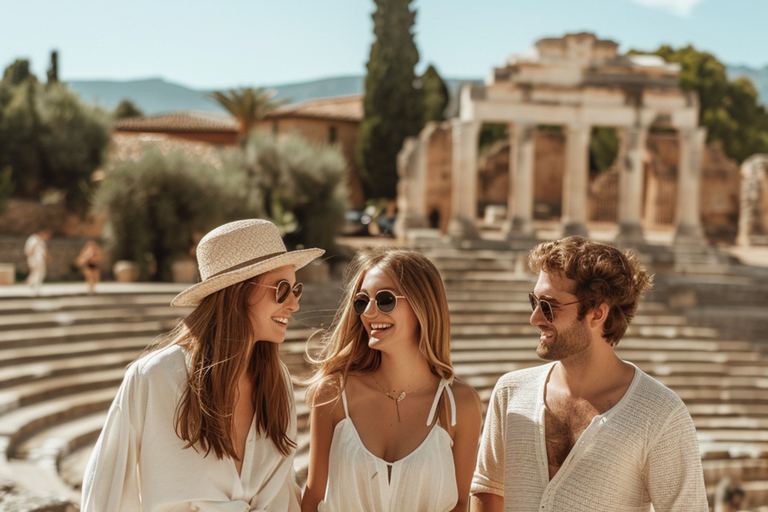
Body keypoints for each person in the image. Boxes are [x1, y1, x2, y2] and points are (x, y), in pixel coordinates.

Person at [81, 219, 324, 511]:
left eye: (296, 289)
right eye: (281, 289)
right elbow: (106, 492)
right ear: (237, 292)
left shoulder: (276, 380)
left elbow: (284, 495)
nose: (294, 304)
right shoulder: (154, 377)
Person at [470, 236, 708, 512]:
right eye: (533, 302)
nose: (535, 318)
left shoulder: (660, 414)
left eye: (548, 306)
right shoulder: (510, 393)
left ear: (597, 315)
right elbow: (488, 490)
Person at [301, 247, 482, 512]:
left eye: (385, 300)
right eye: (362, 302)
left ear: (423, 305)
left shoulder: (460, 403)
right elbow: (313, 499)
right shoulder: (333, 393)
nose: (369, 313)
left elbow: (460, 504)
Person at [24, 229, 52, 294]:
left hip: (39, 259)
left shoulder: (39, 240)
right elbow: (30, 250)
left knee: (39, 273)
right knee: (37, 273)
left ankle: (32, 285)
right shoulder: (35, 239)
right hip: (36, 259)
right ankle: (34, 286)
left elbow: (44, 251)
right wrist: (32, 259)